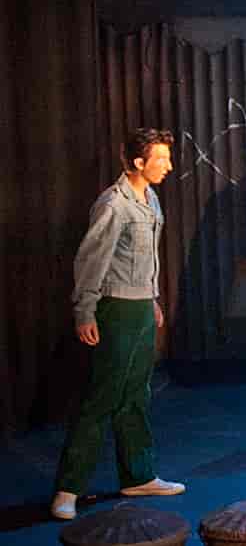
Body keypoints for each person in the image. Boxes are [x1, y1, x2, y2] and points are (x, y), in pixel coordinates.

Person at [51, 129, 185, 520]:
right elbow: (91, 260)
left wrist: (152, 299)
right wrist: (85, 311)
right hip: (116, 310)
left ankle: (138, 475)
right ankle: (68, 489)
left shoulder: (150, 198)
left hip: (140, 307)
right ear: (138, 163)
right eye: (161, 159)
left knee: (136, 394)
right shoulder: (113, 204)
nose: (168, 166)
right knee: (102, 397)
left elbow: (147, 259)